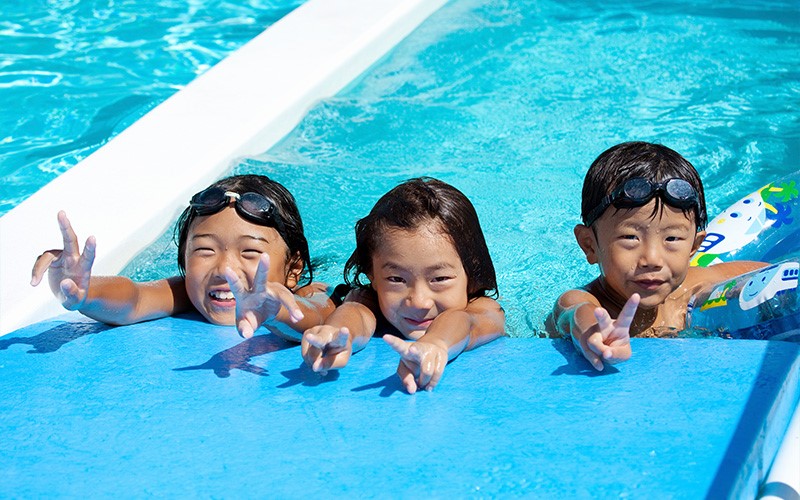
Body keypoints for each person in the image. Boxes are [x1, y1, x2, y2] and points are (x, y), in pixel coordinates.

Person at [30, 174, 335, 341]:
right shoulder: (191, 291)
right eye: (205, 250)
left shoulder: (311, 292)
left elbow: (319, 315)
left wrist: (275, 311)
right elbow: (135, 298)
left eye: (250, 252)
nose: (224, 269)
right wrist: (83, 292)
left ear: (293, 269)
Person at [547, 141, 765, 370]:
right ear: (589, 245)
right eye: (630, 238)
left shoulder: (694, 285)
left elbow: (767, 272)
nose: (652, 259)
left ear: (693, 247)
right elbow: (573, 313)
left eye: (672, 239)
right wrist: (595, 331)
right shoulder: (586, 300)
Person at [301, 177, 506, 393]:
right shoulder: (371, 299)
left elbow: (464, 321)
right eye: (397, 279)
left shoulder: (486, 309)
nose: (418, 302)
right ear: (372, 275)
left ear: (471, 274)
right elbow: (355, 311)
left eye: (439, 279)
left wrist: (436, 343)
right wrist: (337, 334)